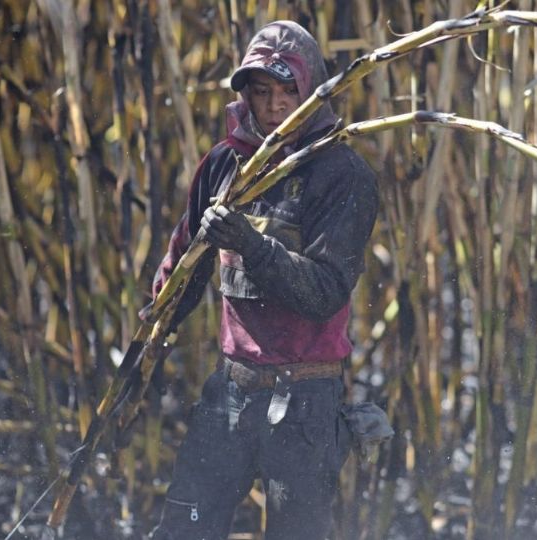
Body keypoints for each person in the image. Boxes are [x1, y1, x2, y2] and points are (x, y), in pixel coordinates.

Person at [148, 20, 380, 540]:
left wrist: (252, 246)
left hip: (303, 403)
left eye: (288, 91)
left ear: (312, 91)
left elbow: (323, 293)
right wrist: (154, 331)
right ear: (245, 95)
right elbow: (185, 257)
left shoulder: (342, 175)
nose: (274, 105)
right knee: (183, 528)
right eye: (261, 91)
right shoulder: (226, 163)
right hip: (229, 394)